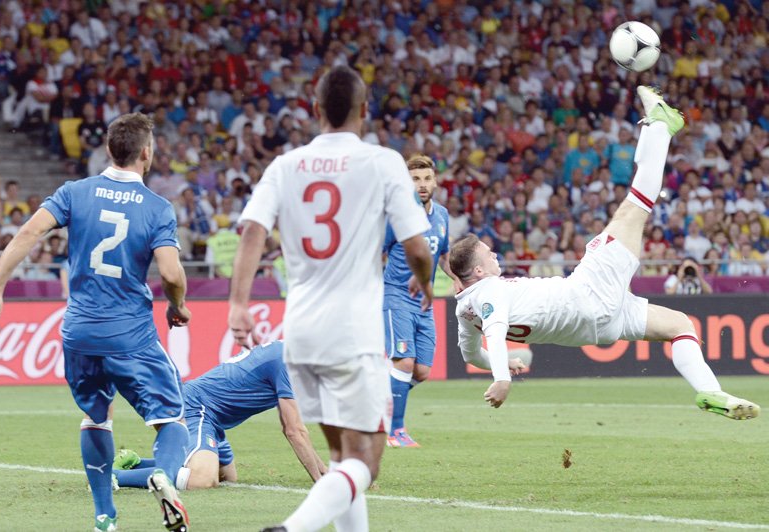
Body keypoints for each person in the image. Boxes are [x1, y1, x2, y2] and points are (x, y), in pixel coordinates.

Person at [449, 87, 760, 421]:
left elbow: (472, 354)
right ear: (477, 272)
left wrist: (504, 362)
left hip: (596, 328)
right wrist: (502, 377)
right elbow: (494, 333)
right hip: (587, 293)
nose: (494, 253)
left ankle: (710, 391)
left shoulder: (464, 311)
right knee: (634, 208)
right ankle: (659, 126)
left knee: (679, 324)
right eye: (486, 253)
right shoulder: (491, 291)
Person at [227, 66, 434, 532]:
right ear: (365, 111)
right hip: (353, 333)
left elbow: (252, 231)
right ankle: (292, 529)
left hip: (299, 334)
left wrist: (238, 304)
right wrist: (426, 280)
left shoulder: (285, 165)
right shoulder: (382, 162)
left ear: (315, 109)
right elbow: (417, 246)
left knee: (340, 457)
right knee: (367, 462)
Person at [0, 113, 193, 532]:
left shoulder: (75, 192)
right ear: (146, 153)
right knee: (172, 420)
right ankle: (162, 474)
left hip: (79, 332)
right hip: (130, 333)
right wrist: (177, 304)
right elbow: (170, 273)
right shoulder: (157, 208)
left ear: (110, 151)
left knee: (96, 416)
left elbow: (27, 234)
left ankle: (104, 516)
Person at [113, 341, 327, 490]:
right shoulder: (288, 361)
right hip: (197, 407)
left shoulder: (287, 352)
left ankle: (135, 463)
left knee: (227, 477)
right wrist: (319, 480)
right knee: (201, 479)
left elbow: (291, 427)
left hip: (214, 418)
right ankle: (114, 477)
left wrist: (323, 470)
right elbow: (294, 430)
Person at [383, 153, 459, 448]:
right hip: (397, 295)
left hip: (424, 302)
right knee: (403, 363)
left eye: (427, 178)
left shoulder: (441, 215)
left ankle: (382, 402)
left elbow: (442, 255)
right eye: (415, 179)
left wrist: (457, 278)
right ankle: (395, 431)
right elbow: (378, 251)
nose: (422, 184)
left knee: (422, 371)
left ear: (436, 181)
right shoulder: (396, 215)